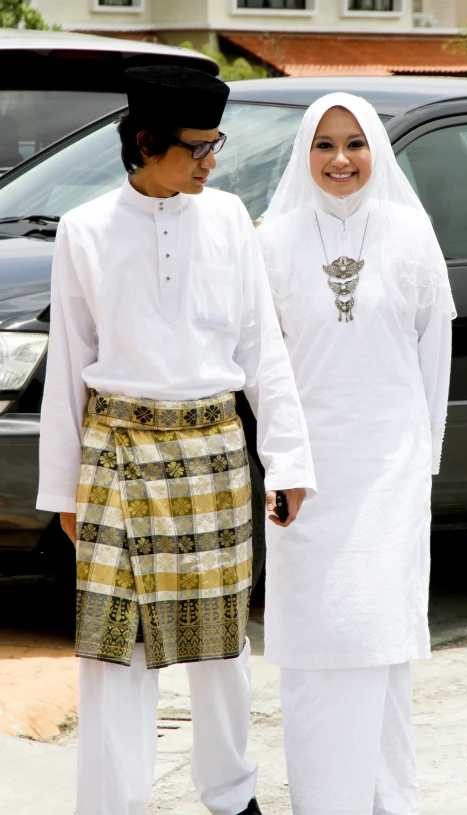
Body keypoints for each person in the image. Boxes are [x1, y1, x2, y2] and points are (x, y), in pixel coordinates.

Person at [36, 65, 316, 815]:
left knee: (221, 648)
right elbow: (68, 365)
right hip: (116, 461)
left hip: (214, 454)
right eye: (199, 146)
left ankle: (231, 796)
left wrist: (286, 459)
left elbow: (264, 349)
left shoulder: (228, 219)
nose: (211, 161)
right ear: (145, 142)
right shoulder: (83, 230)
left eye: (215, 145)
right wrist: (62, 492)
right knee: (115, 650)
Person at [258, 93, 456, 815]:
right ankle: (323, 801)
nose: (340, 160)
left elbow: (434, 352)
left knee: (380, 637)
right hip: (306, 473)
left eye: (354, 143)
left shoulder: (409, 232)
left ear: (375, 148)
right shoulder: (273, 241)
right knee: (317, 642)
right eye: (324, 145)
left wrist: (421, 456)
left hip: (390, 467)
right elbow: (264, 365)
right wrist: (282, 462)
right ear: (305, 154)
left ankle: (387, 799)